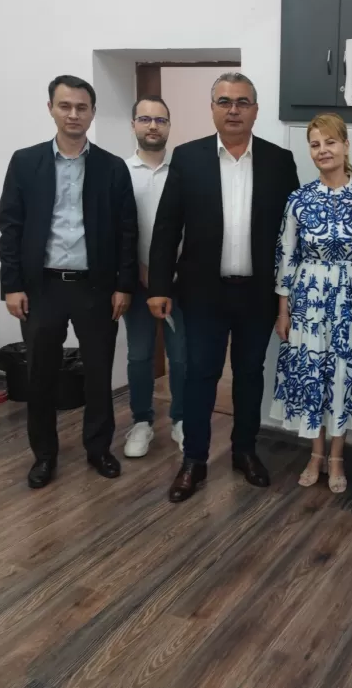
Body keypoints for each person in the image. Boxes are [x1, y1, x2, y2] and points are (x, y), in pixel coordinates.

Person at [148, 72, 300, 503]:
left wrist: (289, 296)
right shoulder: (188, 157)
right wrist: (158, 286)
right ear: (212, 108)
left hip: (257, 294)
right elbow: (166, 227)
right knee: (200, 375)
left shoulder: (278, 161)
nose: (234, 110)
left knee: (250, 375)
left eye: (242, 102)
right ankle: (194, 460)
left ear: (256, 109)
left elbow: (292, 233)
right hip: (202, 295)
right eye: (225, 101)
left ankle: (244, 451)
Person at [0, 75, 138, 489]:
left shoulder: (112, 167)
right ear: (51, 109)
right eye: (65, 106)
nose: (73, 114)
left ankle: (98, 448)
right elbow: (10, 227)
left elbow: (127, 231)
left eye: (82, 107)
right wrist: (12, 285)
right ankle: (44, 455)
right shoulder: (26, 162)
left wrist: (124, 285)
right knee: (40, 375)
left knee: (98, 374)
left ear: (92, 113)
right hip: (41, 288)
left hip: (96, 288)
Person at [271, 113, 352, 493]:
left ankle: (337, 456)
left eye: (330, 142)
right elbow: (286, 254)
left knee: (344, 375)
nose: (323, 150)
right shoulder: (298, 199)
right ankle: (315, 453)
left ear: (346, 145)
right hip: (309, 299)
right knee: (312, 373)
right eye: (315, 144)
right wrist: (283, 310)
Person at [121, 96, 187, 458]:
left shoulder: (183, 172)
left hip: (179, 283)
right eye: (145, 119)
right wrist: (142, 271)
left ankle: (181, 420)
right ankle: (142, 422)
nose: (152, 126)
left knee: (182, 358)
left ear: (169, 126)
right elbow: (117, 231)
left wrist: (168, 274)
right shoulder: (120, 173)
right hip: (136, 282)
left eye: (160, 120)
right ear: (133, 124)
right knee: (139, 356)